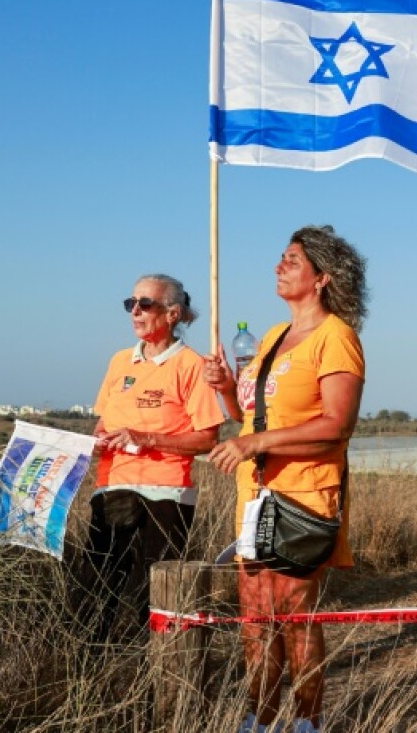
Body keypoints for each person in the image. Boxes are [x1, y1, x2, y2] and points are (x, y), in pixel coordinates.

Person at [205, 226, 367, 733]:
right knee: (255, 616)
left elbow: (335, 426)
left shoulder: (336, 337)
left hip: (304, 496)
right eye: (280, 257)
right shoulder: (273, 336)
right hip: (256, 496)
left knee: (294, 615)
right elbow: (250, 420)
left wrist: (254, 444)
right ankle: (260, 716)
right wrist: (229, 391)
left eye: (292, 260)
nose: (279, 265)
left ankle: (307, 721)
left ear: (321, 278)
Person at [84, 275, 223, 642]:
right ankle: (91, 673)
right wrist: (98, 440)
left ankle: (157, 683)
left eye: (145, 304)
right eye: (131, 304)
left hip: (165, 494)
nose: (136, 312)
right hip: (112, 486)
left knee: (152, 595)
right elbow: (103, 420)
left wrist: (146, 439)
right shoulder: (119, 361)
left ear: (173, 313)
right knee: (96, 590)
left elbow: (208, 438)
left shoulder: (191, 365)